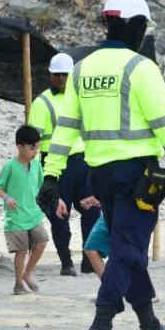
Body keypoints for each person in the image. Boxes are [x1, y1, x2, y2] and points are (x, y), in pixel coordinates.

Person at [38, 0, 165, 330]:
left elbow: (65, 130)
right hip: (137, 176)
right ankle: (101, 326)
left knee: (127, 246)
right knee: (128, 251)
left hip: (101, 176)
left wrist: (51, 176)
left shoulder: (82, 70)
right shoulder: (141, 68)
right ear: (136, 26)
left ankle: (149, 324)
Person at [29, 53, 100, 275]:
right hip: (56, 165)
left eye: (65, 75)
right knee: (59, 215)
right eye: (57, 75)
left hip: (83, 162)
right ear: (50, 76)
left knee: (91, 210)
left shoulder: (83, 99)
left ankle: (90, 259)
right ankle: (66, 263)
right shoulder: (42, 103)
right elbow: (33, 140)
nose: (61, 79)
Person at [0, 125, 49, 295]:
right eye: (32, 148)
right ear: (19, 146)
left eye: (38, 148)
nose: (36, 151)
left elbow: (42, 186)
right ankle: (18, 284)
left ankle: (27, 273)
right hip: (15, 217)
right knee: (21, 250)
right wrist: (7, 198)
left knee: (42, 242)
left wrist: (54, 200)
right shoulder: (9, 166)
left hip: (34, 214)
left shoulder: (37, 165)